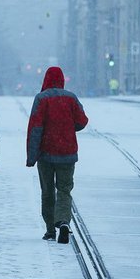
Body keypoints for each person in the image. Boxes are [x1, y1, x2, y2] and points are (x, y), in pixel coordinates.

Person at [26, 66, 89, 244]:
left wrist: (31, 156)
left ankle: (49, 229)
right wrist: (69, 127)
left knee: (47, 192)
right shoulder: (71, 98)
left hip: (46, 154)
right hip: (67, 153)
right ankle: (62, 222)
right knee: (64, 190)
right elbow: (82, 121)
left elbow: (35, 129)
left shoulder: (41, 99)